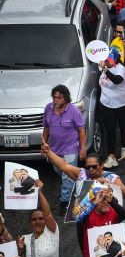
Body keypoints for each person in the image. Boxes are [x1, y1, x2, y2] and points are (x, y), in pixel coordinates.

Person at [43, 85, 86, 214]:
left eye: (59, 97)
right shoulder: (48, 108)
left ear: (66, 98)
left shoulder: (74, 111)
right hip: (54, 149)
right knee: (60, 171)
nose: (56, 100)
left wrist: (82, 148)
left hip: (71, 148)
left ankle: (64, 202)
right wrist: (43, 143)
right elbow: (46, 127)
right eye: (54, 97)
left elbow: (81, 130)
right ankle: (78, 185)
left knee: (67, 177)